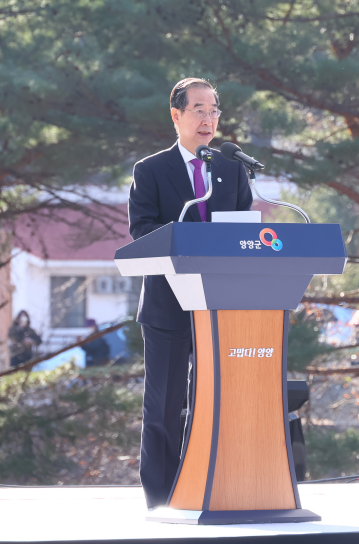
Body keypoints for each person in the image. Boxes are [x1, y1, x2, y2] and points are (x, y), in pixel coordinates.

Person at [128, 78, 253, 509]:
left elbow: (243, 234)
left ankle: (213, 487)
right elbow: (141, 230)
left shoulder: (232, 168)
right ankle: (161, 500)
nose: (208, 118)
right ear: (176, 115)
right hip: (168, 306)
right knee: (164, 408)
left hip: (220, 305)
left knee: (217, 403)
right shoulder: (150, 170)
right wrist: (186, 239)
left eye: (214, 109)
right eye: (199, 109)